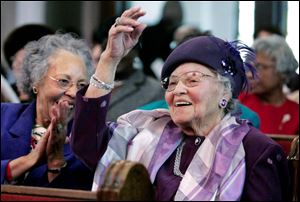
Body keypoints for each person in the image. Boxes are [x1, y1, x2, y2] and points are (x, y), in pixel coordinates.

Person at [68, 7, 289, 200]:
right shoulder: (145, 132)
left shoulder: (256, 151)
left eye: (192, 80)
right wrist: (109, 60)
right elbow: (88, 144)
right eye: (172, 83)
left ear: (225, 91)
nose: (178, 90)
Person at [1, 33, 94, 190]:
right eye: (64, 81)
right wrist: (30, 160)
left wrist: (56, 161)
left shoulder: (88, 138)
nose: (73, 93)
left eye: (81, 85)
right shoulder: (4, 116)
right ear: (36, 80)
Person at [91, 16, 165, 121]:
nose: (118, 53)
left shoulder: (154, 91)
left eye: (125, 46)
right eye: (111, 46)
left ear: (136, 50)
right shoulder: (86, 84)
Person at [239, 35, 299, 154]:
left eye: (260, 67)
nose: (250, 74)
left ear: (282, 69)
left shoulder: (296, 113)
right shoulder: (239, 103)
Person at [3, 24, 55, 103]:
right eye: (14, 61)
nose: (14, 66)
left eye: (22, 64)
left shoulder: (52, 93)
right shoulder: (8, 92)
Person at [139, 1, 183, 78]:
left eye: (177, 8)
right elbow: (148, 57)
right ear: (163, 10)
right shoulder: (149, 32)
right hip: (151, 78)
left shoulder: (182, 32)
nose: (174, 11)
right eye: (171, 8)